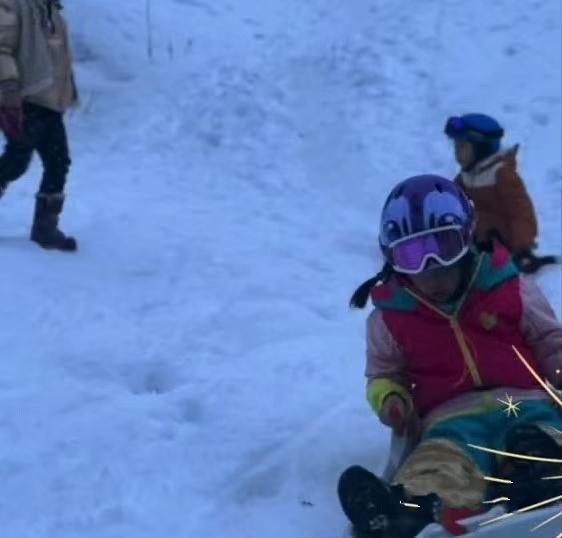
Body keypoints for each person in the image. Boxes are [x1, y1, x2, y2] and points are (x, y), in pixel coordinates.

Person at [338, 175, 562, 538]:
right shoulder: (392, 317)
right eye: (412, 255)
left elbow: (549, 337)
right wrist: (391, 398)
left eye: (444, 247)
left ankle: (542, 480)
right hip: (451, 422)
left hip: (527, 402)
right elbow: (384, 374)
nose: (431, 268)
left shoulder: (508, 287)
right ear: (392, 259)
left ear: (468, 237)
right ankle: (411, 511)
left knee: (542, 436)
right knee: (439, 464)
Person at [0, 0, 78, 251]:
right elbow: (1, 47)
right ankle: (45, 229)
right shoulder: (12, 4)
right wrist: (8, 85)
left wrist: (67, 93)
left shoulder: (51, 8)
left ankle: (46, 229)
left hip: (49, 101)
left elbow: (59, 58)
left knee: (58, 161)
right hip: (23, 98)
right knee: (17, 160)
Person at [444, 113, 541, 273]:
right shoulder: (467, 175)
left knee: (479, 218)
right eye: (455, 146)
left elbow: (521, 212)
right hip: (479, 243)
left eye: (462, 147)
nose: (456, 152)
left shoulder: (501, 174)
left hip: (506, 246)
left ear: (482, 148)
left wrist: (523, 249)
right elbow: (450, 198)